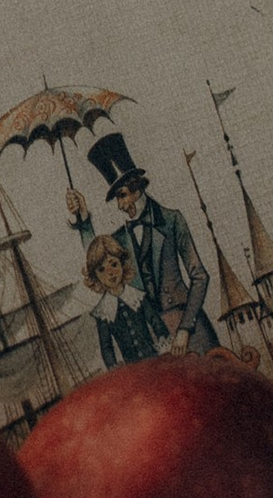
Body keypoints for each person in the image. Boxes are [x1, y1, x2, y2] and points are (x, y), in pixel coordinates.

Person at [78, 128, 210, 362]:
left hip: (189, 329)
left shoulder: (172, 220)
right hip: (152, 340)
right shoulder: (118, 239)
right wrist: (83, 219)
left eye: (122, 195)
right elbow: (96, 259)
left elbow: (199, 276)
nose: (120, 206)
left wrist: (184, 329)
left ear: (138, 187)